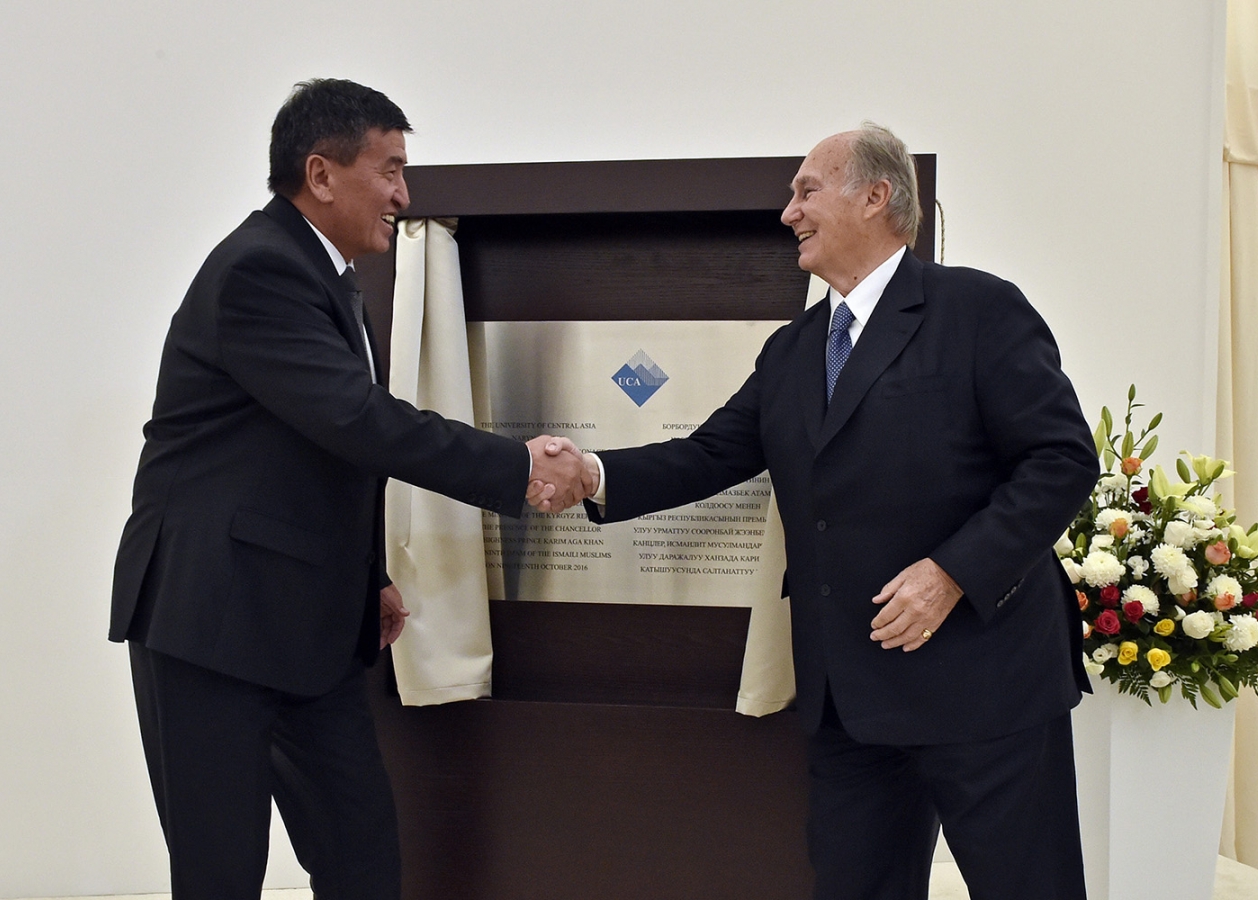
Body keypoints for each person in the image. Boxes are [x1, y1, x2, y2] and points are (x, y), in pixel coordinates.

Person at [537, 123, 1098, 900]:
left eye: (805, 191)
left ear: (875, 196)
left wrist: (950, 574)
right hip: (852, 700)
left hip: (987, 687)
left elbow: (1062, 460)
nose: (787, 213)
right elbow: (707, 455)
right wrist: (591, 474)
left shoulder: (979, 310)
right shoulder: (794, 350)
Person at [109, 78, 590, 899]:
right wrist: (517, 469)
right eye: (391, 169)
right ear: (321, 174)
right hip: (210, 623)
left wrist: (363, 576)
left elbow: (310, 457)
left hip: (304, 627)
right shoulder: (261, 270)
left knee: (361, 855)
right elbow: (357, 421)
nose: (405, 194)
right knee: (220, 872)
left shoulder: (325, 275)